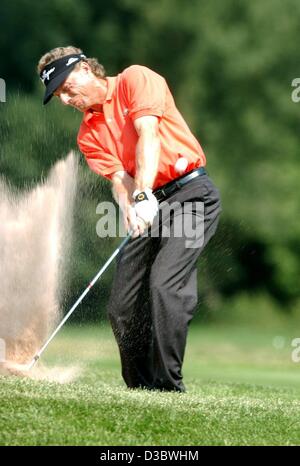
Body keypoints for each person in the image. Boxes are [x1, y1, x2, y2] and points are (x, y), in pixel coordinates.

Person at [37, 46, 221, 392]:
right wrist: (131, 206)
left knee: (165, 285)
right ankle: (140, 388)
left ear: (85, 70)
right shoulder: (88, 134)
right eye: (58, 94)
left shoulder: (135, 79)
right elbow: (120, 180)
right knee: (121, 306)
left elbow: (147, 134)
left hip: (191, 195)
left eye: (65, 87)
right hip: (147, 203)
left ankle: (168, 387)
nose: (65, 99)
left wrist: (143, 193)